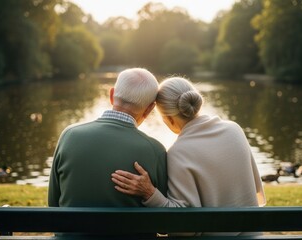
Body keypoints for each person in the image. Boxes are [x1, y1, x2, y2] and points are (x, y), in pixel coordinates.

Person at [111, 77, 266, 236]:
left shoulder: (179, 152)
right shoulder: (234, 130)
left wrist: (150, 193)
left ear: (169, 119)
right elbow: (255, 190)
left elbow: (184, 227)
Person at [48, 68, 168, 209]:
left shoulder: (69, 135)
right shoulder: (155, 150)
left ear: (111, 95)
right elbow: (163, 219)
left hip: (72, 231)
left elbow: (53, 203)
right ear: (149, 109)